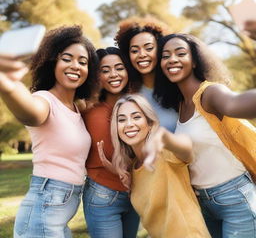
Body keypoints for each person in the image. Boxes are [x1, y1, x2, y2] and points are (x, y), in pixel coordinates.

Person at [154, 33, 256, 238]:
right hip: (205, 203)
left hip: (236, 196)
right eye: (165, 56)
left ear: (194, 61)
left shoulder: (210, 93)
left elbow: (234, 103)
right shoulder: (180, 106)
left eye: (180, 53)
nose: (172, 59)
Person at [0, 25, 98, 238]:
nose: (75, 66)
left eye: (83, 62)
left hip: (57, 215)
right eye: (67, 58)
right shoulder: (44, 100)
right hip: (43, 212)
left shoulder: (77, 107)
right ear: (52, 61)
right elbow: (30, 112)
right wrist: (7, 84)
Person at [99, 93, 211, 238]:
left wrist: (164, 136)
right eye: (121, 120)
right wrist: (116, 170)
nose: (129, 124)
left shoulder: (165, 154)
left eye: (136, 117)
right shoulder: (133, 168)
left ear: (150, 123)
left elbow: (187, 149)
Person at [81, 47, 139, 238]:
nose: (113, 74)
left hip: (134, 193)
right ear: (96, 76)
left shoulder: (137, 105)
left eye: (119, 68)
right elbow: (112, 153)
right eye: (105, 70)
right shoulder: (91, 109)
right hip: (104, 194)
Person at [115, 17, 178, 132]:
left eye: (149, 48)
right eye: (134, 51)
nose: (142, 54)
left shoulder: (177, 88)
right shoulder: (127, 95)